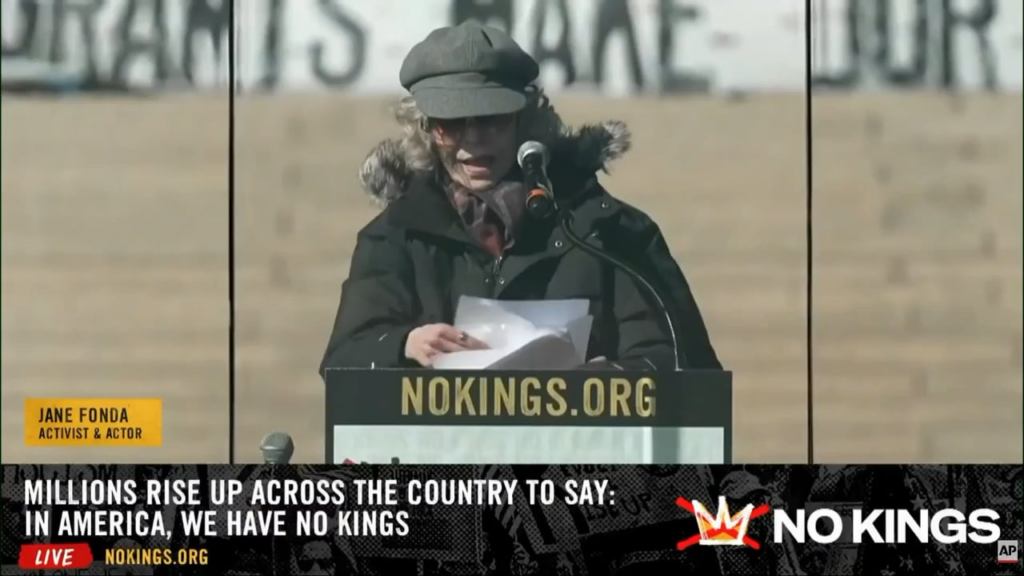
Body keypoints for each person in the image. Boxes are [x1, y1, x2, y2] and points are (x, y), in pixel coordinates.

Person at [320, 21, 720, 375]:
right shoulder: (394, 237)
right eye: (451, 124)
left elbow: (684, 359)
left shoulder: (610, 231)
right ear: (425, 129)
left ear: (524, 119)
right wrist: (404, 345)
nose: (473, 141)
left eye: (491, 119)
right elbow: (344, 360)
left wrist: (606, 383)